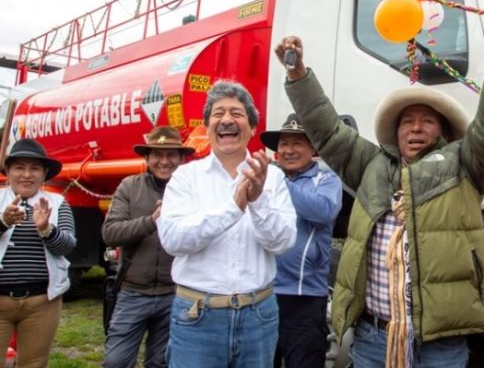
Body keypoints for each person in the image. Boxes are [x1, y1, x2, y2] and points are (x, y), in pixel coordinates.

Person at [274, 7, 484, 368]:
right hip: (375, 338)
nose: (416, 128)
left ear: (442, 131)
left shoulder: (467, 165)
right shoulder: (371, 166)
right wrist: (297, 74)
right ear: (395, 131)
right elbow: (327, 130)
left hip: (441, 343)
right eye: (408, 121)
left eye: (427, 121)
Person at [157, 80, 297, 368]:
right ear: (207, 127)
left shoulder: (272, 178)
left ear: (252, 127)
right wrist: (234, 208)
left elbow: (283, 242)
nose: (227, 120)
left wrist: (257, 202)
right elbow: (173, 240)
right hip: (198, 316)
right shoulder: (185, 177)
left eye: (237, 113)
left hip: (259, 316)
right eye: (218, 114)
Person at [102, 126, 195, 368]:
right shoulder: (129, 187)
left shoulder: (192, 190)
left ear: (181, 158)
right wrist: (151, 220)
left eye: (171, 154)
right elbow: (110, 233)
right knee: (116, 361)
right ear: (147, 157)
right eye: (157, 154)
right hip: (132, 293)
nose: (164, 161)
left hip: (174, 294)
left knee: (161, 362)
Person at [260, 114, 343, 368]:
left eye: (297, 143)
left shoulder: (327, 180)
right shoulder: (267, 179)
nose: (289, 150)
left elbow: (323, 210)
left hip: (305, 297)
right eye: (284, 144)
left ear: (313, 149)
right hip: (263, 294)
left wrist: (277, 182)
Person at [0, 138, 76, 367]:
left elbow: (68, 247)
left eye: (34, 168)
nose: (27, 174)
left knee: (33, 363)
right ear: (9, 171)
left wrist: (46, 229)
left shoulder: (58, 202)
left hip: (41, 302)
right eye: (20, 167)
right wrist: (3, 223)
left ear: (44, 174)